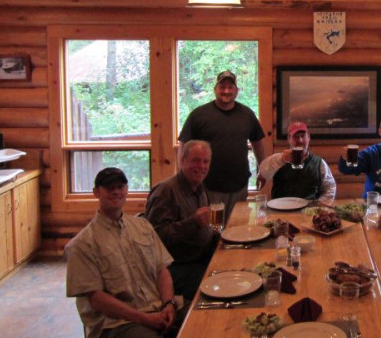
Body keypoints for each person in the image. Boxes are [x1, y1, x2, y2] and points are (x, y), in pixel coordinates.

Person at [65, 167, 181, 338]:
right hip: (118, 323)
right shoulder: (82, 245)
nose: (116, 192)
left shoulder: (143, 226)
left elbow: (161, 270)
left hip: (157, 308)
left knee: (203, 319)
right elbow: (97, 300)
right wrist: (146, 319)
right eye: (109, 188)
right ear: (96, 192)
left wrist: (168, 304)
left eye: (120, 187)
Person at [178, 70, 267, 219]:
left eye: (230, 87)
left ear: (236, 90)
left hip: (239, 186)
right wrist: (182, 175)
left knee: (237, 229)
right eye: (222, 87)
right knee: (211, 230)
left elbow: (257, 143)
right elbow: (184, 146)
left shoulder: (247, 114)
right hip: (207, 187)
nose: (226, 91)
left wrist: (262, 169)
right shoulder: (199, 115)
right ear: (215, 90)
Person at [145, 140, 218, 303]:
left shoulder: (200, 187)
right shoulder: (166, 191)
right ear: (182, 160)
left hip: (201, 257)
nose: (202, 166)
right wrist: (193, 222)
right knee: (218, 284)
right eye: (196, 160)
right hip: (176, 267)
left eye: (206, 161)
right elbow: (156, 237)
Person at [257, 121, 336, 203]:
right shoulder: (278, 159)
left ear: (309, 137)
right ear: (289, 138)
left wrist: (318, 206)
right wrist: (282, 159)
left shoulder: (319, 163)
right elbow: (264, 172)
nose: (300, 140)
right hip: (281, 210)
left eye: (303, 136)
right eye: (295, 137)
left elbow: (330, 189)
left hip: (308, 211)